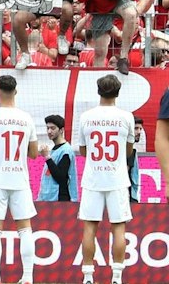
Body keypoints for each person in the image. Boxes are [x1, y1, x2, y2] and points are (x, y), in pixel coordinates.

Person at [0, 73, 39, 284]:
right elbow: (34, 153)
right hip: (20, 179)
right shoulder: (26, 118)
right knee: (25, 228)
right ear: (16, 91)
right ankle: (27, 276)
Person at [77, 74, 137, 284]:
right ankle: (117, 277)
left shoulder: (86, 117)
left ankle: (88, 276)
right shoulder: (126, 117)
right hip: (117, 179)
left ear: (98, 91)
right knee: (118, 227)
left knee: (89, 228)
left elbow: (83, 151)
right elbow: (128, 151)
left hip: (93, 179)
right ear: (118, 93)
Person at [38, 115, 74, 202]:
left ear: (61, 130)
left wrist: (47, 157)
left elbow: (61, 177)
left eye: (53, 128)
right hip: (48, 199)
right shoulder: (54, 149)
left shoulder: (66, 151)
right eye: (48, 128)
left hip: (59, 200)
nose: (49, 131)